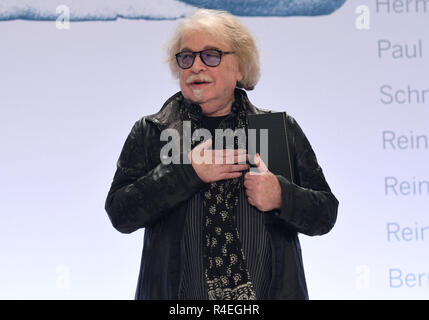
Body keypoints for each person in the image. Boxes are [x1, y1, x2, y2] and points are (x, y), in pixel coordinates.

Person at [105, 9, 338, 300]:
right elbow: (120, 213)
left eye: (211, 55)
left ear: (240, 67)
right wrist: (186, 172)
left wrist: (281, 196)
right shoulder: (154, 131)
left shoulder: (274, 130)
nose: (196, 67)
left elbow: (325, 214)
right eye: (186, 57)